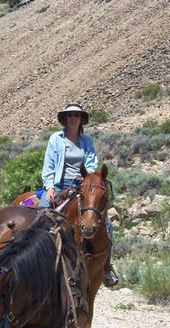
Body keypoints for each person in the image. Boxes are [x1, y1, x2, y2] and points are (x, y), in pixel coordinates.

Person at [38, 103, 118, 287]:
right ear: (65, 118)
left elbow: (91, 163)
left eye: (76, 115)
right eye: (70, 115)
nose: (73, 118)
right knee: (40, 215)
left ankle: (106, 267)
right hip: (59, 185)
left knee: (106, 225)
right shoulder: (55, 139)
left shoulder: (86, 141)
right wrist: (49, 187)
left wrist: (89, 181)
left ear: (81, 119)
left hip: (82, 185)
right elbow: (49, 165)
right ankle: (38, 261)